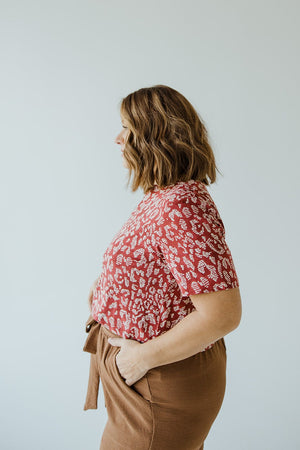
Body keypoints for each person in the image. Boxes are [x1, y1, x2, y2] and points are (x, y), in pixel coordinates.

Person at [83, 84, 242, 450]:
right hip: (150, 381)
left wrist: (140, 358)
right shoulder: (164, 196)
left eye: (128, 129)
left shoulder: (180, 206)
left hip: (158, 379)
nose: (118, 138)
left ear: (155, 137)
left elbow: (223, 314)